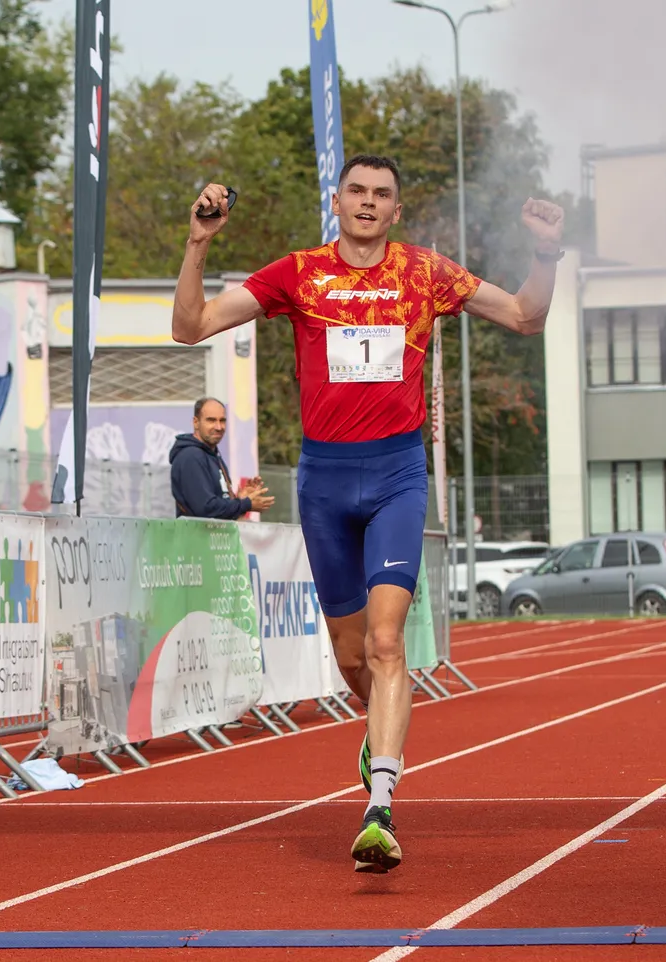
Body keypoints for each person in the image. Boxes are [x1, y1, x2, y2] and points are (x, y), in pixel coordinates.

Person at [170, 155, 563, 872]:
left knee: (387, 644)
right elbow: (190, 326)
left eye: (382, 195)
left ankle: (379, 804)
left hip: (395, 474)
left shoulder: (425, 274)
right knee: (352, 655)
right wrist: (200, 241)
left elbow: (525, 315)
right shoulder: (298, 272)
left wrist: (544, 252)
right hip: (324, 479)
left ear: (396, 210)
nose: (368, 203)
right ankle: (377, 735)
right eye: (357, 191)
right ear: (338, 200)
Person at [170, 397, 274, 519]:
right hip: (195, 537)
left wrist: (238, 499)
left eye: (222, 420)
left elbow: (218, 512)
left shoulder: (213, 455)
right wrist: (245, 504)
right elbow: (206, 509)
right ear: (196, 422)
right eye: (211, 420)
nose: (219, 427)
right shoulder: (190, 456)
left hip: (213, 537)